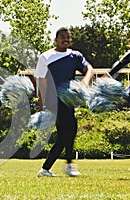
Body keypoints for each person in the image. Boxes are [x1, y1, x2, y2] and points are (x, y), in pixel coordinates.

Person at [34, 27, 94, 177]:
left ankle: (48, 168)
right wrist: (41, 105)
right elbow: (41, 82)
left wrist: (84, 83)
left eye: (68, 37)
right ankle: (67, 165)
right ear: (55, 39)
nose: (66, 40)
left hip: (68, 100)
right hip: (53, 100)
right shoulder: (46, 57)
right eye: (62, 37)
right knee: (70, 129)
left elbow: (90, 69)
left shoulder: (75, 56)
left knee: (66, 134)